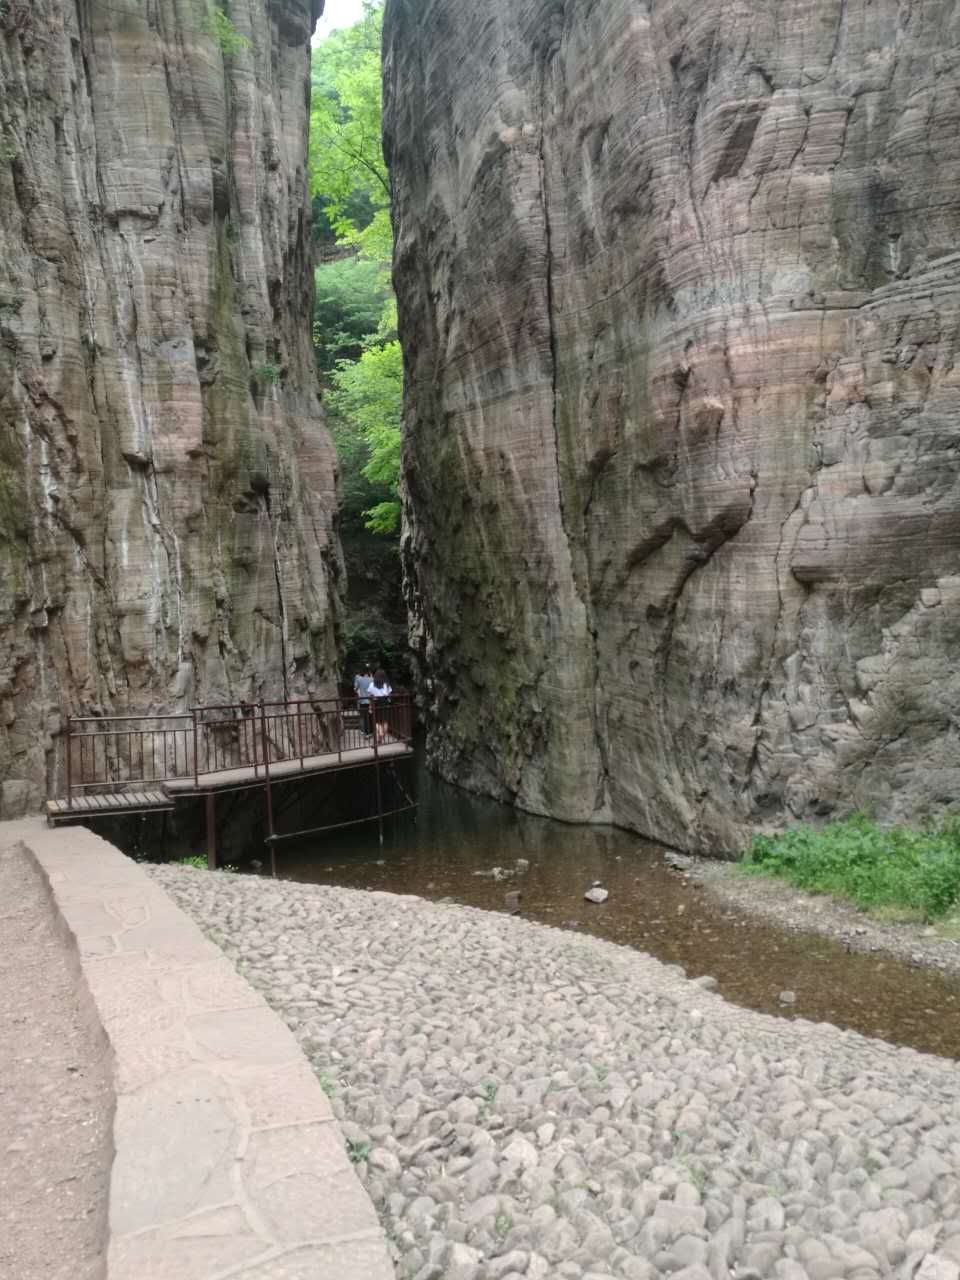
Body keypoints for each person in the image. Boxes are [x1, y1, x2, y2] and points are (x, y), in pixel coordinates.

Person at [368, 668, 392, 743]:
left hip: (376, 702)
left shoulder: (372, 684)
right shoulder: (386, 684)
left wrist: (370, 706)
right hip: (385, 702)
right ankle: (381, 737)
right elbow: (389, 694)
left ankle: (380, 733)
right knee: (385, 721)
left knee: (377, 721)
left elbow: (370, 695)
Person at [353, 664, 374, 735]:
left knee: (364, 717)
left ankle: (366, 732)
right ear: (368, 672)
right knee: (371, 716)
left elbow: (355, 689)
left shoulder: (359, 679)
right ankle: (371, 731)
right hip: (371, 701)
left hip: (362, 701)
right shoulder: (372, 679)